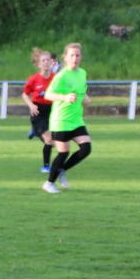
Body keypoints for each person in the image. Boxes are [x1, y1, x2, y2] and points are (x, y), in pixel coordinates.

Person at [42, 43, 92, 194]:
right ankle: (49, 184)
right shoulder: (62, 75)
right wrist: (65, 97)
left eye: (77, 55)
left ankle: (62, 169)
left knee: (86, 148)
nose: (75, 58)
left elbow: (81, 90)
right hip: (61, 119)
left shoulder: (82, 73)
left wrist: (85, 97)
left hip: (76, 119)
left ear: (81, 57)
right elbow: (48, 95)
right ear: (65, 57)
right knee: (63, 153)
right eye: (71, 55)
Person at [22, 48, 56, 173]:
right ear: (39, 64)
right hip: (38, 111)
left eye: (48, 60)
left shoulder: (56, 78)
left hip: (52, 111)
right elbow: (25, 94)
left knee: (54, 143)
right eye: (43, 61)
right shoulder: (34, 79)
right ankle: (46, 166)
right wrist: (31, 105)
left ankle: (35, 131)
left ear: (52, 62)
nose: (46, 62)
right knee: (49, 139)